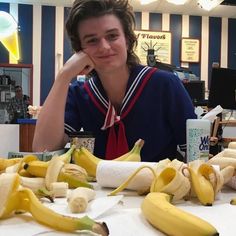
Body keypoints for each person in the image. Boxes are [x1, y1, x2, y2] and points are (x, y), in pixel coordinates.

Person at [32, 0, 196, 162]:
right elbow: (43, 149)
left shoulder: (165, 85)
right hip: (96, 188)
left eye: (112, 36)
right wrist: (64, 75)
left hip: (160, 186)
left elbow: (195, 152)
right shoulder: (79, 94)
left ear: (127, 40)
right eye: (92, 40)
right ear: (80, 50)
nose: (104, 46)